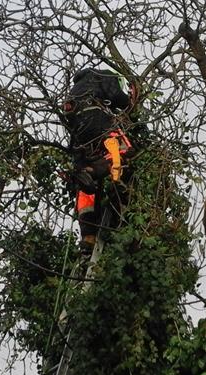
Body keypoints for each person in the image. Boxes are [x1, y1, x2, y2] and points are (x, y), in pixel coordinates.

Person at [61, 68, 133, 253]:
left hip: (78, 134)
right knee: (123, 149)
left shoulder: (76, 88)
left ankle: (88, 235)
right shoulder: (102, 75)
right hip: (95, 118)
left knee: (85, 177)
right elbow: (118, 97)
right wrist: (130, 102)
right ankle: (118, 184)